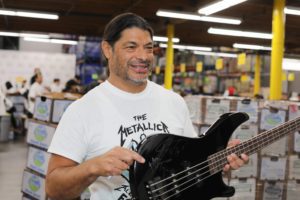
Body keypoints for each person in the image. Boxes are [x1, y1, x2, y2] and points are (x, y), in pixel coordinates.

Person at [46, 13, 248, 200]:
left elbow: (192, 167)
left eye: (149, 48)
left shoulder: (174, 102)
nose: (143, 56)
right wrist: (92, 167)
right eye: (131, 47)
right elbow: (53, 188)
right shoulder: (82, 110)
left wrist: (222, 160)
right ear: (107, 49)